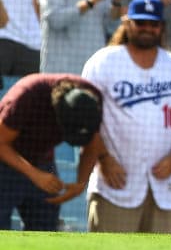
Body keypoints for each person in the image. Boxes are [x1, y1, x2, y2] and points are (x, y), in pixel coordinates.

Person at [82, 0, 171, 233]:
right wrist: (103, 159)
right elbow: (85, 116)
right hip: (116, 182)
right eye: (141, 22)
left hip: (162, 185)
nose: (147, 28)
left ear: (161, 27)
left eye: (153, 23)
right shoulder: (104, 61)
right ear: (127, 24)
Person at [0, 74, 102, 230]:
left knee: (45, 227)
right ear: (57, 116)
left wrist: (81, 183)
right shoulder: (27, 97)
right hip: (6, 159)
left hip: (42, 160)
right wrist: (34, 174)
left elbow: (92, 144)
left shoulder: (92, 99)